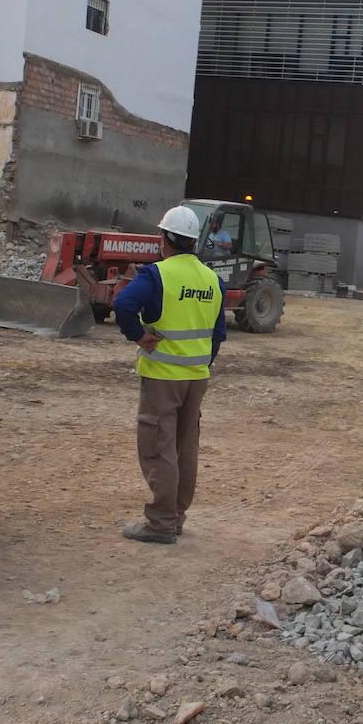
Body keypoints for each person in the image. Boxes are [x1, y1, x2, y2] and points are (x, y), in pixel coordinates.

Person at [112, 206, 228, 544]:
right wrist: (204, 363)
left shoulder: (156, 275)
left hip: (163, 377)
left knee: (157, 445)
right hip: (197, 377)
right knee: (185, 446)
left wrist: (138, 335)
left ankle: (160, 523)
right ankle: (176, 517)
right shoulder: (212, 279)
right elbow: (218, 333)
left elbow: (122, 305)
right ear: (193, 241)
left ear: (164, 239)